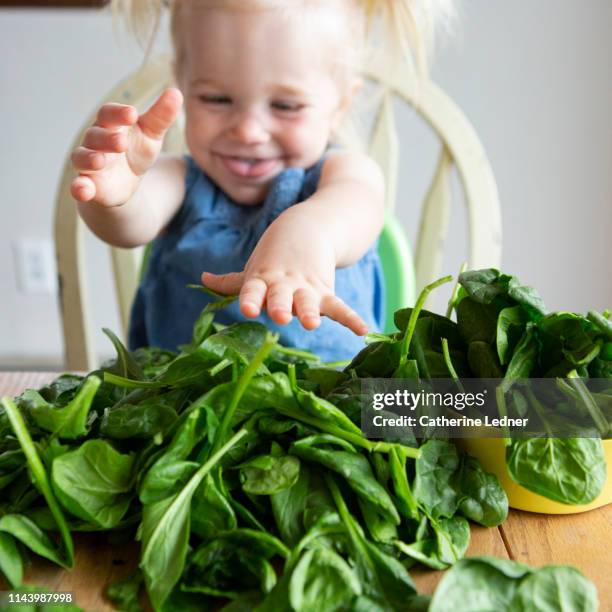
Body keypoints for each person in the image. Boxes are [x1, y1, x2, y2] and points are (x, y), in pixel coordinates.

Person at [71, 0, 452, 362]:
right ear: (183, 87)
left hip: (333, 412)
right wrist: (115, 196)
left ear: (340, 106)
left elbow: (353, 207)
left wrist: (306, 231)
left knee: (484, 404)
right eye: (217, 99)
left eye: (285, 106)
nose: (249, 131)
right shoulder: (178, 180)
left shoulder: (346, 176)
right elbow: (128, 225)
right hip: (179, 415)